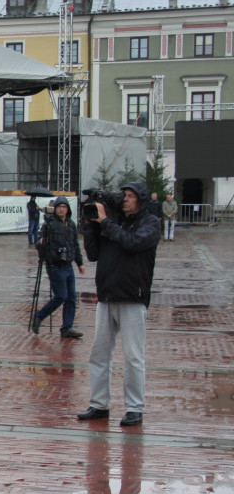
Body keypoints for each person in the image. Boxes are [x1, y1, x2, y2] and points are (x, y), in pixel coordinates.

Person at [78, 181, 160, 426]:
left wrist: (105, 223)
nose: (125, 199)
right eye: (123, 195)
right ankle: (98, 404)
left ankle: (134, 408)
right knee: (98, 354)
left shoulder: (150, 223)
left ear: (141, 199)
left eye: (131, 196)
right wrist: (91, 225)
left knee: (133, 356)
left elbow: (132, 243)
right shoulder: (112, 222)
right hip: (106, 296)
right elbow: (93, 254)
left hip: (132, 297)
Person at [31, 197, 86, 339]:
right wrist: (41, 243)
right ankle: (39, 316)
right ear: (55, 208)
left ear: (68, 209)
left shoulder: (71, 224)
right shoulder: (49, 224)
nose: (61, 209)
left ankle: (66, 328)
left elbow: (75, 245)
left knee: (71, 298)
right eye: (59, 206)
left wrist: (79, 263)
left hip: (68, 266)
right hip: (55, 265)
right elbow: (39, 240)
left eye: (64, 206)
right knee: (61, 296)